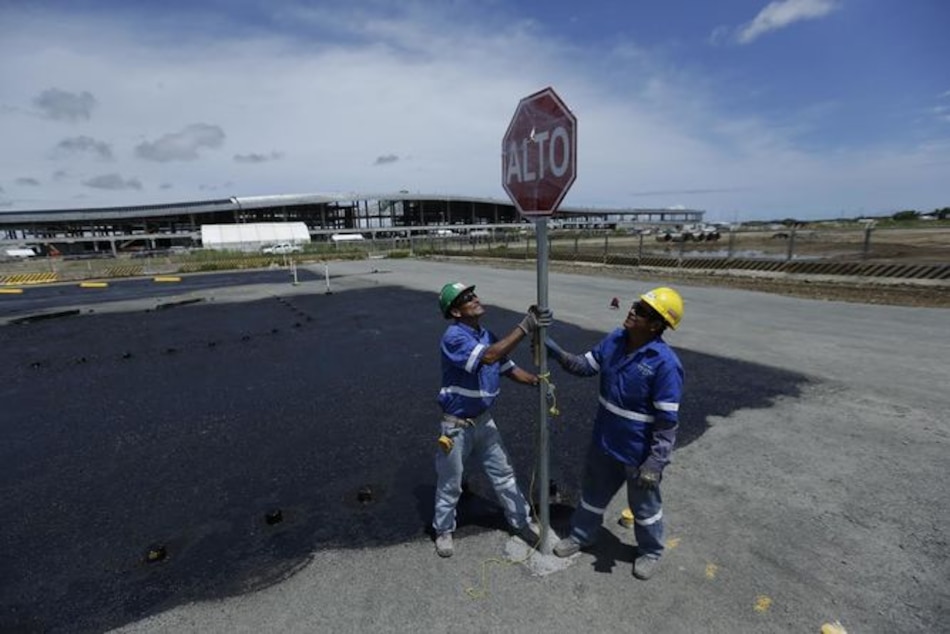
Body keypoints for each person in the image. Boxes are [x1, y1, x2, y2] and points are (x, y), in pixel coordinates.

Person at [545, 286, 685, 580]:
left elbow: (667, 422)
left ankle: (650, 551)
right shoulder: (616, 340)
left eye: (642, 311)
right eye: (635, 305)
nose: (632, 311)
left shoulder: (665, 364)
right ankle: (582, 535)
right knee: (592, 495)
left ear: (656, 325)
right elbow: (586, 366)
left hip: (639, 452)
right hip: (605, 441)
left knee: (645, 508)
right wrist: (559, 354)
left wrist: (655, 462)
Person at [432, 281, 551, 558]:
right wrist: (525, 326)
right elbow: (489, 357)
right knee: (450, 482)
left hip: (484, 421)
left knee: (504, 474)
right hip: (456, 425)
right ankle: (443, 530)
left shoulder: (486, 335)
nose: (474, 298)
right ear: (456, 312)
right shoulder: (453, 337)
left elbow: (508, 368)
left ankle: (520, 522)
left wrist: (536, 381)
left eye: (473, 294)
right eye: (466, 298)